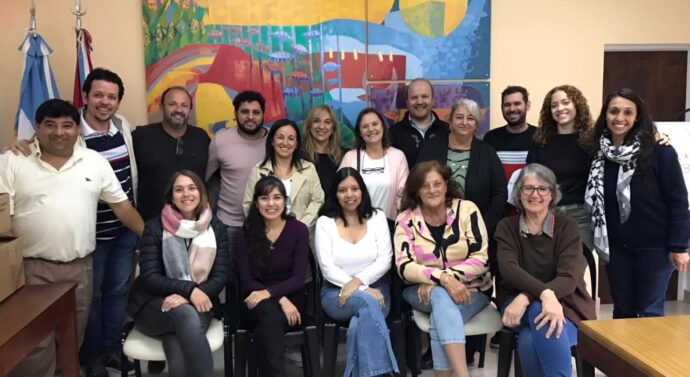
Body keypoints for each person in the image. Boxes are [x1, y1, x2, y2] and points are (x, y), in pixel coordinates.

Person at [6, 68, 141, 376]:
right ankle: (84, 364)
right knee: (37, 343)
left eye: (67, 126)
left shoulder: (100, 155)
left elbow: (123, 206)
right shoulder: (14, 160)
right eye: (50, 125)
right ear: (37, 128)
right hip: (31, 267)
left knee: (73, 333)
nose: (59, 132)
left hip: (87, 259)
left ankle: (97, 358)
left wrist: (152, 237)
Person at [585, 88, 690, 318]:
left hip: (656, 248)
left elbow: (679, 201)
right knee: (622, 310)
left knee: (649, 312)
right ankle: (620, 356)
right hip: (618, 247)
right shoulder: (599, 153)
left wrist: (679, 246)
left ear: (637, 117)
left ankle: (648, 355)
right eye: (614, 111)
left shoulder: (660, 151)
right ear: (606, 115)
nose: (619, 118)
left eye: (627, 112)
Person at [494, 163, 596, 377]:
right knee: (542, 313)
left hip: (566, 304)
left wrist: (527, 296)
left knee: (530, 339)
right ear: (519, 193)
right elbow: (509, 269)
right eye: (528, 188)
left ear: (552, 194)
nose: (535, 194)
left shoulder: (567, 226)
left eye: (543, 188)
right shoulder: (506, 226)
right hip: (515, 304)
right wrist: (543, 295)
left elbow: (568, 277)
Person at [394, 161, 492, 377]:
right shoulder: (405, 220)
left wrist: (440, 280)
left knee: (441, 310)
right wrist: (443, 281)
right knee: (441, 295)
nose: (432, 190)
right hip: (419, 291)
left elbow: (481, 259)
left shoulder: (467, 210)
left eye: (437, 184)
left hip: (472, 290)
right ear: (416, 191)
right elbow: (404, 266)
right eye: (425, 186)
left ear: (446, 185)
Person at [127, 170, 229, 377]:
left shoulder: (215, 227)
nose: (186, 194)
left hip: (201, 301)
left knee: (177, 340)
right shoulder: (155, 228)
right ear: (171, 196)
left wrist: (192, 295)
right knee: (186, 316)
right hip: (153, 304)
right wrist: (189, 291)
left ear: (201, 192)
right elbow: (150, 278)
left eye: (192, 188)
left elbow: (220, 277)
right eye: (179, 189)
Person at [315, 168, 399, 377]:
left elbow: (385, 259)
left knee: (360, 321)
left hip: (378, 289)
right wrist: (362, 289)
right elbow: (327, 268)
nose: (349, 195)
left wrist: (360, 283)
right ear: (335, 193)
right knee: (366, 302)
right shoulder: (325, 222)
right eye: (342, 190)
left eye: (354, 188)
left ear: (362, 191)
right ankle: (382, 372)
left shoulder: (377, 217)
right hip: (336, 293)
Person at [417, 98, 507, 273]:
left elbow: (500, 194)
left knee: (470, 281)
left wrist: (481, 228)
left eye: (470, 118)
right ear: (450, 120)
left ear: (477, 124)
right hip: (433, 232)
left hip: (475, 234)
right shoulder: (431, 147)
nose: (464, 122)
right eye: (459, 117)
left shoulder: (487, 153)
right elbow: (418, 184)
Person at [235, 176, 310, 377]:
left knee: (267, 324)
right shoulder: (244, 234)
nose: (271, 204)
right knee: (268, 316)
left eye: (277, 198)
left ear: (285, 201)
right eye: (264, 198)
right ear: (256, 202)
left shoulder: (299, 230)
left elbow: (298, 278)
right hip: (255, 299)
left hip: (293, 299)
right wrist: (278, 298)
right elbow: (247, 280)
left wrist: (272, 294)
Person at [527, 85, 596, 254]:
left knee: (573, 274)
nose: (560, 108)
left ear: (577, 105)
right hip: (546, 215)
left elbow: (622, 143)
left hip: (581, 217)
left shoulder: (592, 141)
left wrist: (657, 136)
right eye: (554, 105)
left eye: (565, 102)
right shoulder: (540, 141)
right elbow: (530, 179)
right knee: (547, 273)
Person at [133, 86, 210, 221]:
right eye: (172, 104)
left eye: (184, 105)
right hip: (152, 223)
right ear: (162, 106)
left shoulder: (201, 137)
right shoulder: (141, 136)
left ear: (190, 110)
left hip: (193, 222)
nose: (178, 110)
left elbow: (212, 178)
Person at [206, 90, 268, 246]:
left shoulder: (274, 140)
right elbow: (205, 180)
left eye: (256, 112)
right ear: (235, 113)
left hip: (268, 224)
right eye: (245, 112)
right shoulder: (220, 141)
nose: (251, 117)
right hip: (229, 224)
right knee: (229, 270)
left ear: (262, 114)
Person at [243, 118, 324, 233]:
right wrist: (267, 230)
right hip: (267, 236)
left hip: (301, 235)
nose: (285, 143)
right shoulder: (257, 171)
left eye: (291, 139)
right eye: (280, 137)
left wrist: (300, 228)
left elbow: (318, 200)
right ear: (272, 141)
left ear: (296, 144)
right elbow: (248, 205)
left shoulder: (309, 169)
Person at [340, 108, 408, 224]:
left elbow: (404, 195)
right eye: (365, 126)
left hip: (388, 225)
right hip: (356, 226)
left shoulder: (398, 156)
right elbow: (340, 192)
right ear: (360, 132)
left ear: (383, 127)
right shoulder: (350, 157)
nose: (371, 129)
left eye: (375, 124)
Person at [482, 85, 537, 185]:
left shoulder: (540, 137)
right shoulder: (491, 138)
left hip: (532, 199)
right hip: (500, 199)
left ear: (527, 105)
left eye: (517, 104)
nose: (512, 109)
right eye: (507, 105)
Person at [390, 78, 449, 168]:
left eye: (425, 96)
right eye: (414, 97)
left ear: (433, 100)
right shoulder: (393, 133)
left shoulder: (447, 131)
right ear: (407, 101)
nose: (420, 102)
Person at [302, 104, 344, 193]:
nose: (321, 126)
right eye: (316, 121)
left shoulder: (344, 156)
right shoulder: (299, 156)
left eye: (327, 122)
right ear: (309, 126)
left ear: (333, 128)